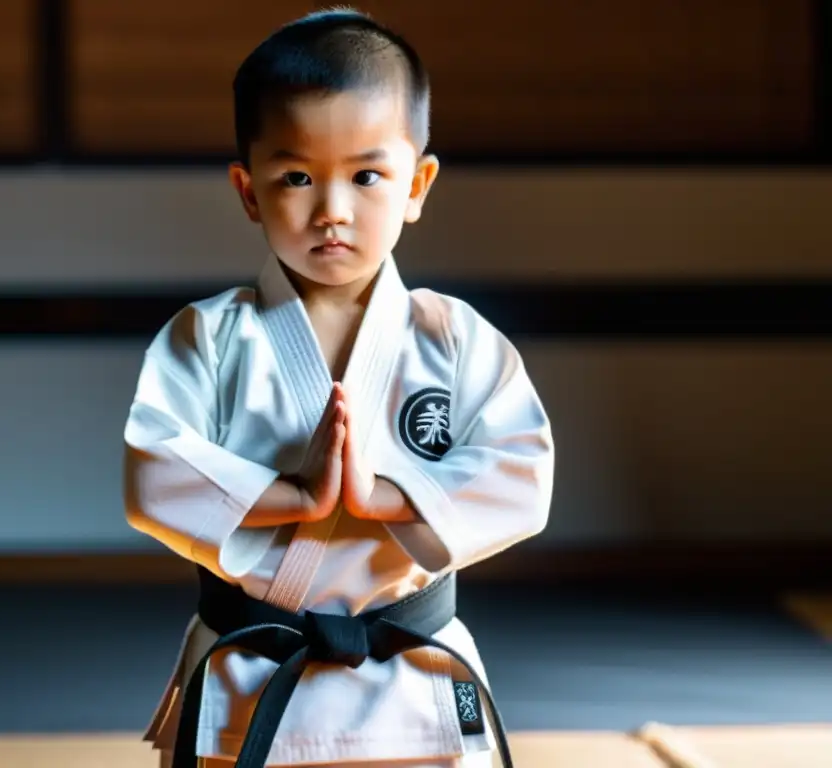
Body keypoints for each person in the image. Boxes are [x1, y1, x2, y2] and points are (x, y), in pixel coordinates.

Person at [122, 8, 554, 768]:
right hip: (253, 667)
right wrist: (295, 496)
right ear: (248, 189)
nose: (332, 211)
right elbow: (153, 472)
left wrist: (383, 493)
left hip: (410, 665)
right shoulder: (207, 338)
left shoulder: (453, 339)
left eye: (366, 175)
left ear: (416, 183)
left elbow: (522, 475)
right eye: (296, 177)